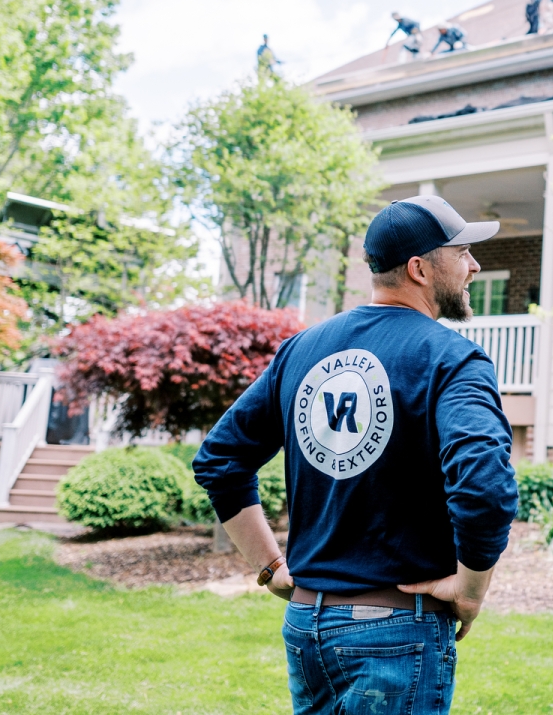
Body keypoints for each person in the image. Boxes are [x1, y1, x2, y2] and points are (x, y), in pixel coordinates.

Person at [193, 194, 517, 715]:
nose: (475, 265)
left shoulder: (302, 350)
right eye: (462, 252)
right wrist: (471, 589)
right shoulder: (453, 359)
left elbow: (219, 459)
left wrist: (270, 568)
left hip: (307, 627)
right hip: (398, 632)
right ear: (419, 269)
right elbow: (483, 485)